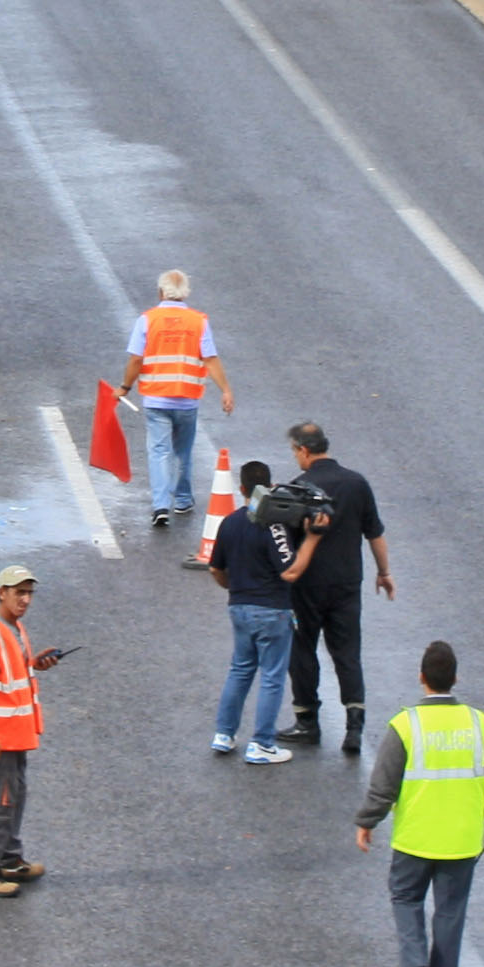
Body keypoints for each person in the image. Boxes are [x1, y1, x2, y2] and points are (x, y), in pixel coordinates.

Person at [354, 641, 484, 967]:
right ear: (455, 679)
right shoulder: (480, 724)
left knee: (406, 898)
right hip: (461, 840)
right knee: (450, 912)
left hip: (415, 838)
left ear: (421, 678)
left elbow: (384, 783)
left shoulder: (405, 725)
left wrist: (367, 821)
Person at [276, 422, 393, 756]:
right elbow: (375, 533)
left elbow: (286, 543)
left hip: (307, 586)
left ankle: (307, 721)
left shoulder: (299, 489)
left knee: (302, 650)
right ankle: (354, 726)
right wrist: (384, 573)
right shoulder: (357, 484)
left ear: (303, 450)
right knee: (347, 652)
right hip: (346, 584)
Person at [208, 459, 322, 764]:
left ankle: (224, 733)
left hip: (239, 607)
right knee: (272, 676)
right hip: (272, 610)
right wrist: (312, 539)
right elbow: (291, 572)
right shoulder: (274, 525)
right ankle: (261, 743)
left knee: (240, 670)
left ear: (242, 488)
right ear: (271, 487)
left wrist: (234, 588)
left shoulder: (229, 522)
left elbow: (215, 568)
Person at [0, 566, 68, 896]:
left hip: (15, 734)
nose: (24, 599)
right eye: (18, 592)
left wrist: (35, 663)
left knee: (13, 797)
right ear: (1, 593)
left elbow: (13, 673)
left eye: (29, 593)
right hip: (0, 737)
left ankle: (8, 859)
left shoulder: (13, 628)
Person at [117, 270, 232, 535]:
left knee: (159, 452)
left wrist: (125, 387)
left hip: (156, 399)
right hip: (187, 400)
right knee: (183, 452)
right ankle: (182, 499)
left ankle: (160, 507)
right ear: (186, 293)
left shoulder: (148, 320)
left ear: (161, 292)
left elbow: (136, 360)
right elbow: (210, 359)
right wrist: (225, 390)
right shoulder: (198, 321)